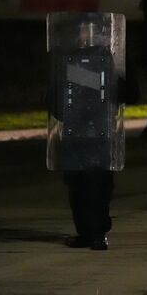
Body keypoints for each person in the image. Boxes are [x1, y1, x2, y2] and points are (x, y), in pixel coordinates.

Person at [47, 13, 125, 251]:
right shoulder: (65, 59)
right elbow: (57, 97)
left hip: (97, 131)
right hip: (76, 132)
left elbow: (116, 90)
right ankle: (87, 232)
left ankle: (97, 232)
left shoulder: (100, 58)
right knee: (78, 185)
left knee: (96, 185)